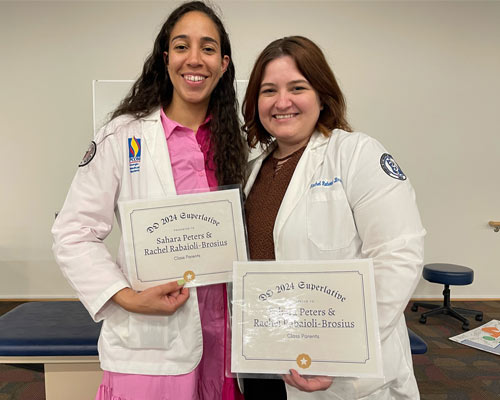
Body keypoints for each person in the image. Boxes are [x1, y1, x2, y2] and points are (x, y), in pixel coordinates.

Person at [52, 2, 246, 399]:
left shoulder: (238, 141)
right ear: (165, 57)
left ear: (223, 63)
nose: (195, 59)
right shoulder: (122, 136)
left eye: (208, 48)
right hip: (154, 342)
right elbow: (73, 232)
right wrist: (127, 298)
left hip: (229, 341)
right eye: (181, 46)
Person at [241, 36, 425, 400]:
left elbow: (398, 257)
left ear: (322, 95)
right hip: (266, 361)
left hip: (340, 374)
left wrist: (340, 352)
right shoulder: (252, 173)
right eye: (268, 91)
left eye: (297, 88)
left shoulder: (358, 155)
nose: (282, 102)